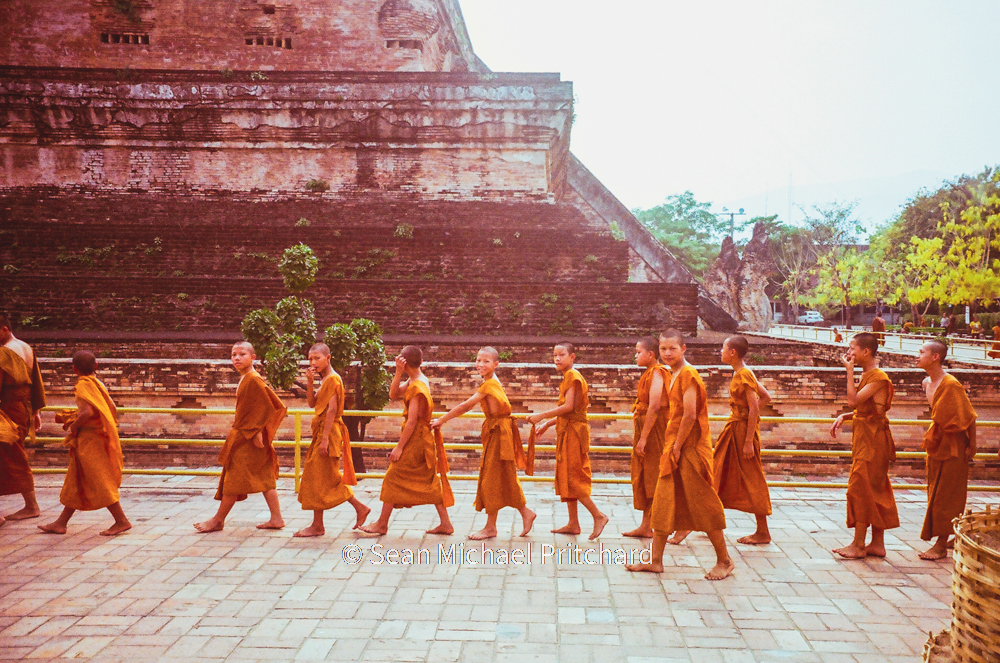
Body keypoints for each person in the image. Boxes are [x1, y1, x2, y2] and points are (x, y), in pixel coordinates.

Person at [627, 330, 733, 580]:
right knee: (663, 502)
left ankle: (724, 560)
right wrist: (672, 447)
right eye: (663, 349)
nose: (667, 353)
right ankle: (655, 561)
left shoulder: (688, 374)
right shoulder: (672, 374)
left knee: (703, 503)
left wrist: (676, 447)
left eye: (672, 348)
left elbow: (690, 414)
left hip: (690, 449)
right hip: (673, 447)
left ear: (683, 349)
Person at [432, 347, 535, 539]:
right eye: (478, 360)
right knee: (503, 477)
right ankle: (524, 513)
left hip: (499, 434)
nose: (480, 364)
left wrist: (441, 420)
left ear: (496, 364)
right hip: (498, 432)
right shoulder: (491, 381)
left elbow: (466, 406)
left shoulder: (489, 385)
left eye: (486, 361)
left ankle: (491, 527)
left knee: (491, 479)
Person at [360, 346, 454, 535]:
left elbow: (412, 421)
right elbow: (393, 394)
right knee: (428, 480)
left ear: (404, 362)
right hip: (420, 438)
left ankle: (382, 524)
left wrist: (399, 448)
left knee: (393, 477)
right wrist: (398, 373)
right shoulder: (416, 380)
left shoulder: (417, 386)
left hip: (416, 439)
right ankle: (446, 523)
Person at [194, 342, 287, 533]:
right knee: (264, 475)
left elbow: (271, 405)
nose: (237, 358)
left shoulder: (253, 379)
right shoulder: (246, 378)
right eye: (233, 354)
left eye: (242, 354)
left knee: (233, 478)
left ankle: (218, 520)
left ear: (253, 357)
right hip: (245, 434)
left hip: (248, 436)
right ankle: (276, 518)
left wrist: (257, 431)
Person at [38, 351, 130, 536]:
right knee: (76, 479)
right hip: (97, 437)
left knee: (99, 478)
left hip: (89, 440)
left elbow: (87, 412)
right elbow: (112, 408)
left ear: (74, 369)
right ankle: (60, 523)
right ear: (96, 366)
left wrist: (74, 425)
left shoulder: (82, 385)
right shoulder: (98, 383)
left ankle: (121, 520)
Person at [526, 342, 609, 540]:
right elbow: (570, 411)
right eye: (555, 355)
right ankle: (573, 523)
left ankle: (598, 515)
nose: (557, 359)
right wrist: (548, 424)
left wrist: (542, 416)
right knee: (566, 475)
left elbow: (569, 407)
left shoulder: (573, 375)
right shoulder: (568, 377)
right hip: (568, 430)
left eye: (561, 355)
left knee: (573, 477)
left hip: (574, 433)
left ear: (572, 357)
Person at [829, 332, 899, 558]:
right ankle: (877, 544)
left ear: (866, 351)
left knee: (860, 488)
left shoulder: (878, 377)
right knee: (874, 488)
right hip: (868, 438)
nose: (849, 352)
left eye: (852, 348)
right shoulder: (868, 375)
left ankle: (858, 544)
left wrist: (848, 372)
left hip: (874, 443)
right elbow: (867, 409)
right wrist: (845, 416)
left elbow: (853, 401)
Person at [293, 343, 370, 537]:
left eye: (317, 358)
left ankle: (322, 523)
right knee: (318, 477)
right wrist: (309, 382)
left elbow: (332, 410)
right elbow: (312, 403)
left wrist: (325, 439)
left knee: (322, 476)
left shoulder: (333, 379)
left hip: (328, 433)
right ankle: (323, 522)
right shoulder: (325, 380)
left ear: (328, 358)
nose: (313, 362)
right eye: (310, 359)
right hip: (322, 432)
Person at [916, 340, 977, 560]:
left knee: (947, 493)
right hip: (937, 442)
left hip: (954, 444)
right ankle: (953, 533)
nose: (917, 356)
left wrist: (973, 444)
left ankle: (941, 544)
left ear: (935, 357)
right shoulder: (926, 383)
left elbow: (969, 416)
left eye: (922, 352)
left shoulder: (950, 384)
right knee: (935, 490)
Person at [712, 336, 773, 545]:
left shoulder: (744, 374)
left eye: (723, 348)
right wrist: (744, 416)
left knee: (752, 478)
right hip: (735, 428)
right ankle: (709, 521)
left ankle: (763, 531)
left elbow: (755, 406)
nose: (720, 352)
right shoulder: (741, 372)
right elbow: (766, 397)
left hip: (743, 432)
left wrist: (748, 440)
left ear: (733, 352)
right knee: (718, 469)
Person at [0, 313, 46, 526]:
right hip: (23, 407)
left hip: (10, 408)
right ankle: (30, 505)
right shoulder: (26, 347)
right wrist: (35, 411)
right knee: (12, 454)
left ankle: (32, 506)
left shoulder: (5, 352)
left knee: (14, 454)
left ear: (4, 329)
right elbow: (36, 381)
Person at [623, 337, 669, 539]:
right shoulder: (650, 373)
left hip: (653, 430)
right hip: (646, 427)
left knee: (653, 475)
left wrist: (644, 438)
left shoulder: (658, 372)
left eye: (638, 352)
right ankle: (646, 525)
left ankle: (669, 524)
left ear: (650, 355)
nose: (636, 356)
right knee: (645, 475)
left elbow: (655, 405)